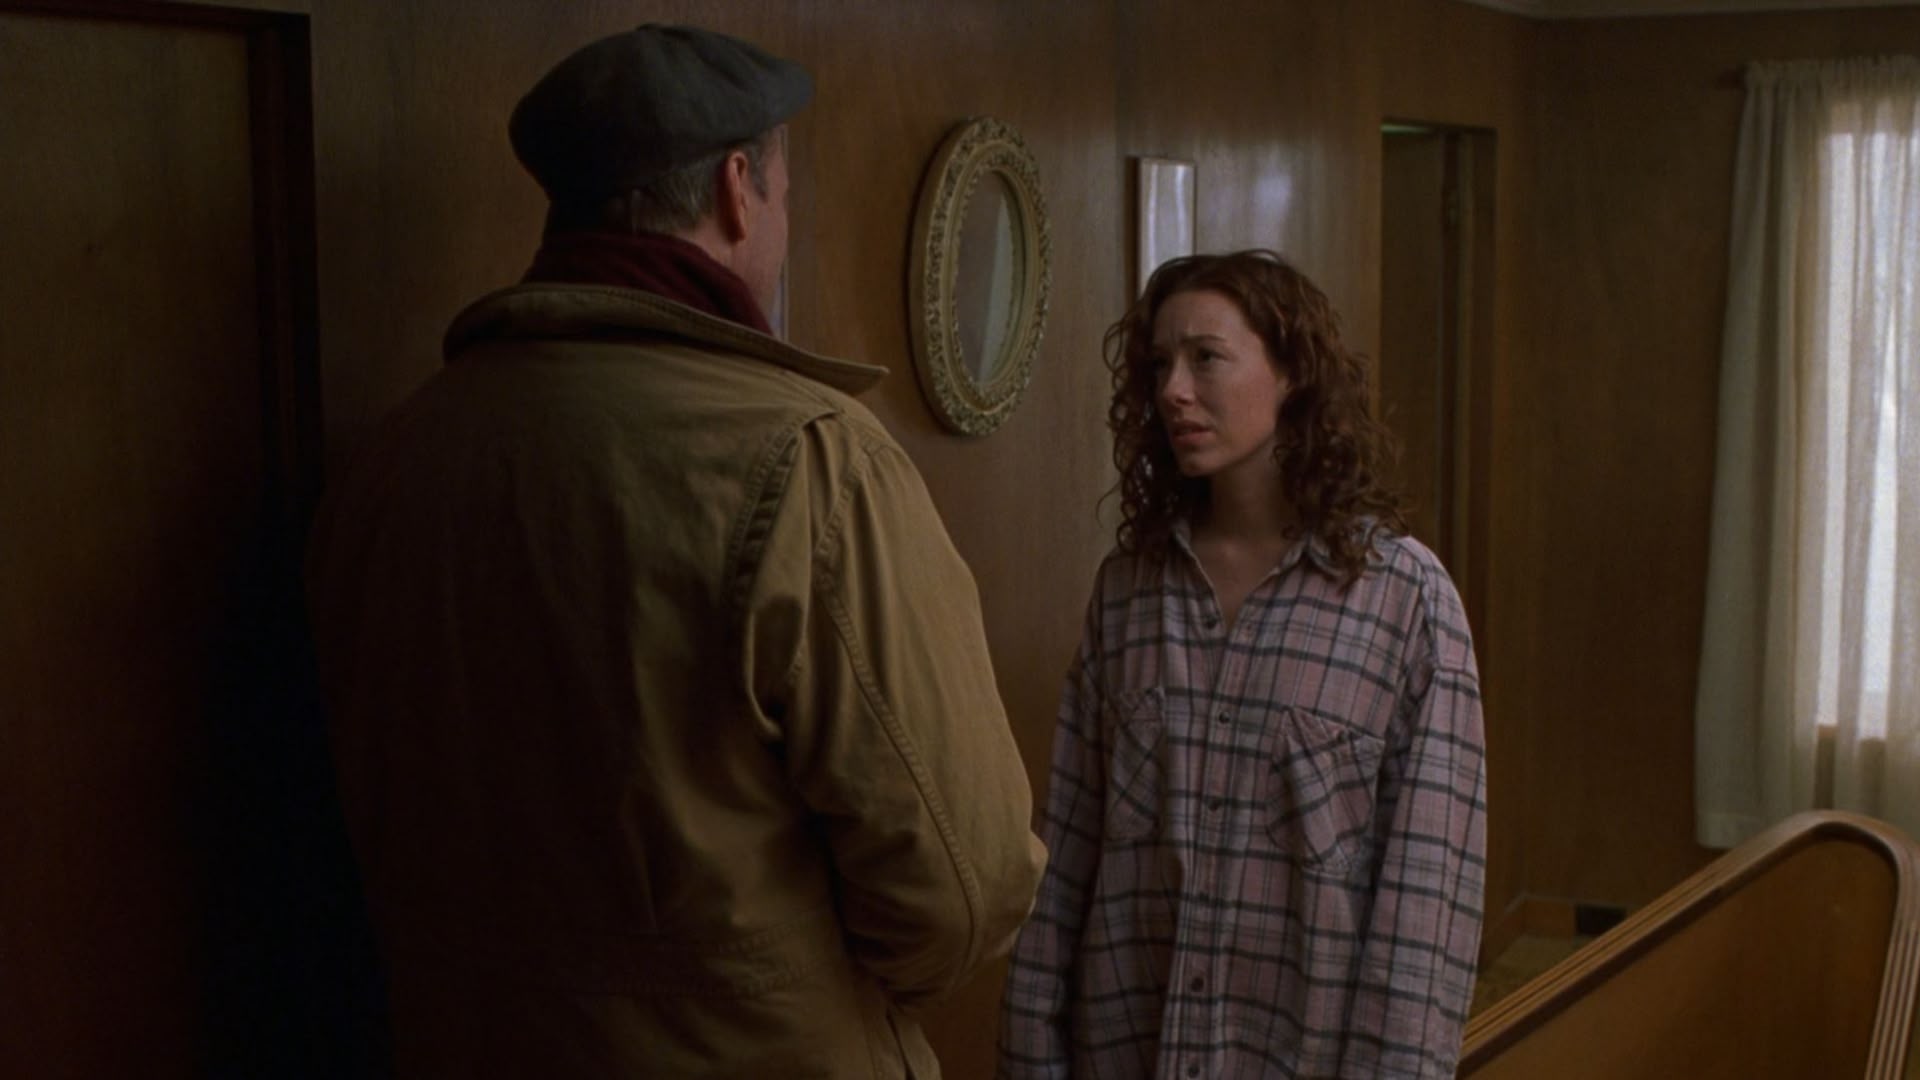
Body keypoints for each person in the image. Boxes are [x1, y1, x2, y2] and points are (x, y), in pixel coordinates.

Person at [307, 24, 1045, 1079]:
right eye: (784, 195)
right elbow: (964, 891)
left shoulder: (392, 460)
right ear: (739, 190)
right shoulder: (810, 461)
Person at [996, 251, 1486, 1079]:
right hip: (1124, 1052)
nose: (1173, 390)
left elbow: (1425, 915)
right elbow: (1065, 856)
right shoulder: (1128, 593)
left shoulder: (1404, 601)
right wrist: (1030, 1055)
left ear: (1291, 373)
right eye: (1161, 365)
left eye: (1206, 358)